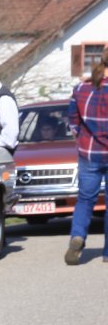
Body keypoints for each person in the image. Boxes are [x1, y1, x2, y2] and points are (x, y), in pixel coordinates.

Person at [65, 59, 108, 265]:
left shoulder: (81, 88)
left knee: (85, 200)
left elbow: (73, 120)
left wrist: (81, 137)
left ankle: (78, 236)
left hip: (89, 152)